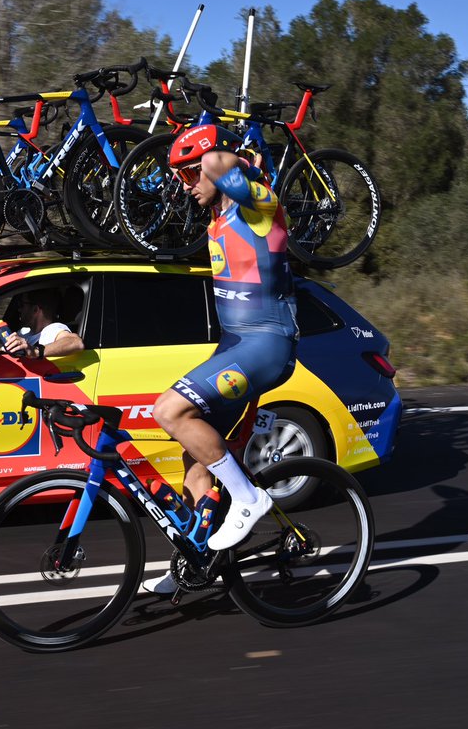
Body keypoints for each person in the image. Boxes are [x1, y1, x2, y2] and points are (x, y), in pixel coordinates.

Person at [144, 124, 298, 595]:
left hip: (267, 343)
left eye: (189, 174)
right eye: (182, 178)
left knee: (168, 410)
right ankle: (194, 558)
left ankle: (248, 498)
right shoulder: (217, 219)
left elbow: (216, 163)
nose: (187, 185)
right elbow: (208, 171)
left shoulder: (259, 210)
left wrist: (209, 146)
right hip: (234, 345)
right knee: (195, 457)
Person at [0, 288, 84, 359]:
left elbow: (76, 342)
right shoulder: (23, 332)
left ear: (35, 309)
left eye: (22, 305)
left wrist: (35, 351)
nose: (19, 310)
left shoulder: (53, 329)